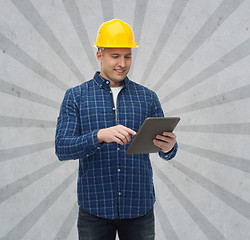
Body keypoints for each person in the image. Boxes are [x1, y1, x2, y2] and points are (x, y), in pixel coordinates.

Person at [55, 19, 178, 240]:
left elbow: (165, 150)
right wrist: (99, 136)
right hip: (95, 209)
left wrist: (169, 147)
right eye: (115, 56)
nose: (122, 63)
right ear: (99, 55)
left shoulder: (147, 97)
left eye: (127, 56)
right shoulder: (76, 96)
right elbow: (62, 148)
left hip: (139, 207)